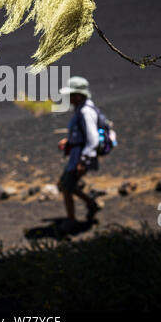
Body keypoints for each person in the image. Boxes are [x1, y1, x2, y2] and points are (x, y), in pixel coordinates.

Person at [57, 77, 102, 230]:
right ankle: (91, 203)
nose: (67, 98)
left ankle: (72, 221)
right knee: (65, 184)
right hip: (77, 155)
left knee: (66, 185)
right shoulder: (80, 109)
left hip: (81, 157)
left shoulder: (85, 111)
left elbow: (93, 138)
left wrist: (83, 161)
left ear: (78, 95)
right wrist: (69, 141)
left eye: (70, 95)